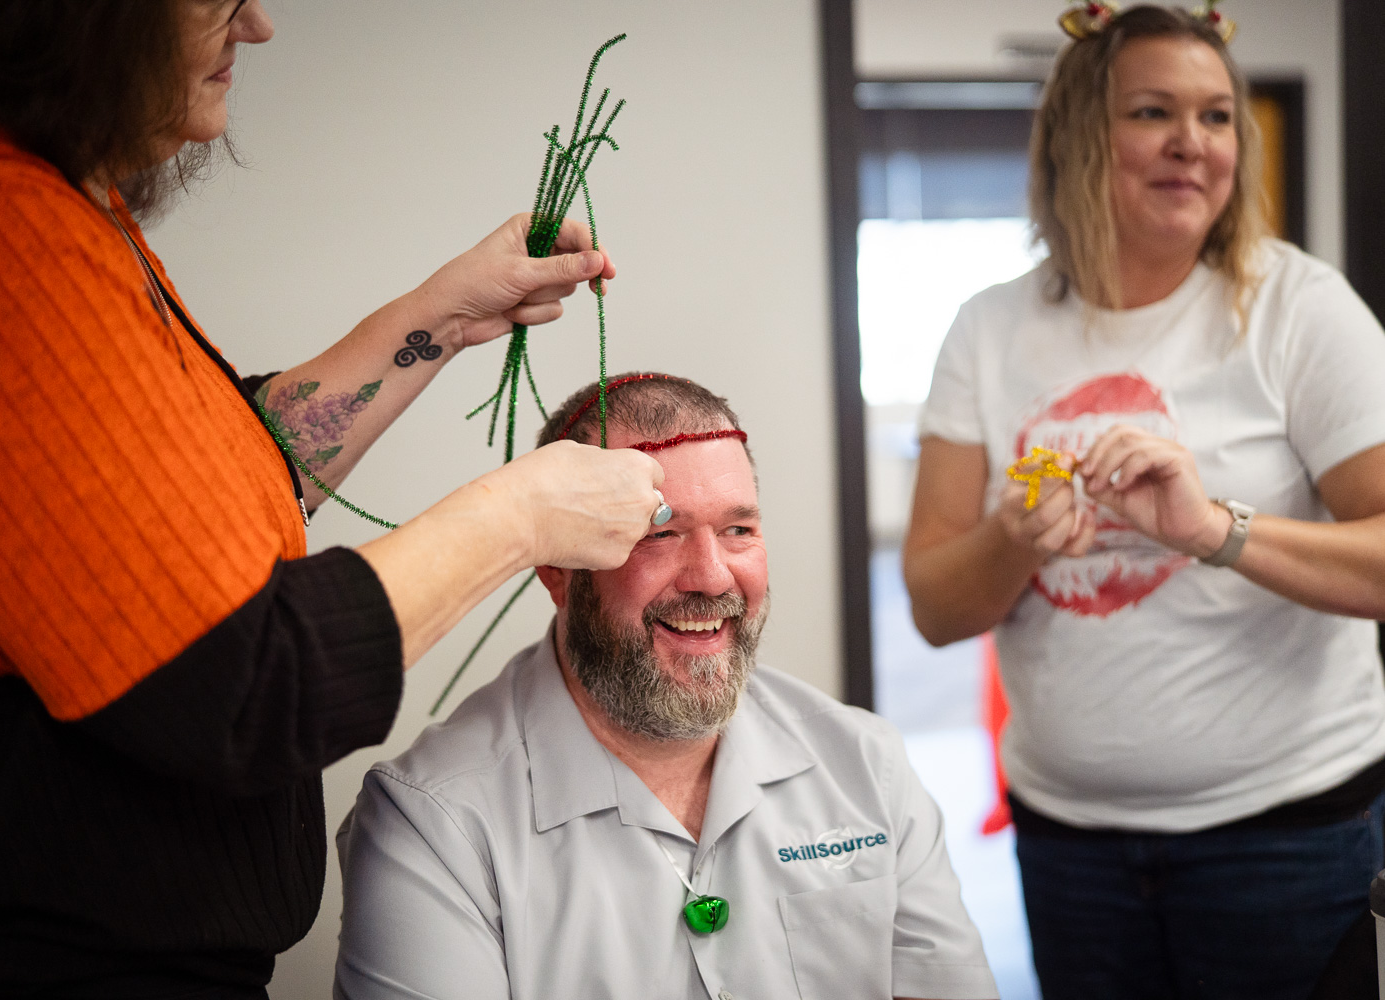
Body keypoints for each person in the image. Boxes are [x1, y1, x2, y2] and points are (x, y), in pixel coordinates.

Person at [0, 2, 665, 996]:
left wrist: (439, 320)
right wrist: (522, 516)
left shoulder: (58, 205)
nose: (255, 24)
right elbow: (241, 682)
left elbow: (195, 499)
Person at [903, 4, 1385, 998]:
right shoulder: (987, 330)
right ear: (1081, 137)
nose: (1191, 142)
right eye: (1153, 111)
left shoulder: (1300, 309)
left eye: (1216, 116)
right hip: (1070, 846)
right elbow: (937, 607)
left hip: (1285, 842)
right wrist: (1015, 537)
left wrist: (1213, 529)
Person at [334, 373, 999, 1000]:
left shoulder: (866, 765)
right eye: (660, 533)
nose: (711, 577)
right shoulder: (436, 823)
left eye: (738, 530)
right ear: (557, 570)